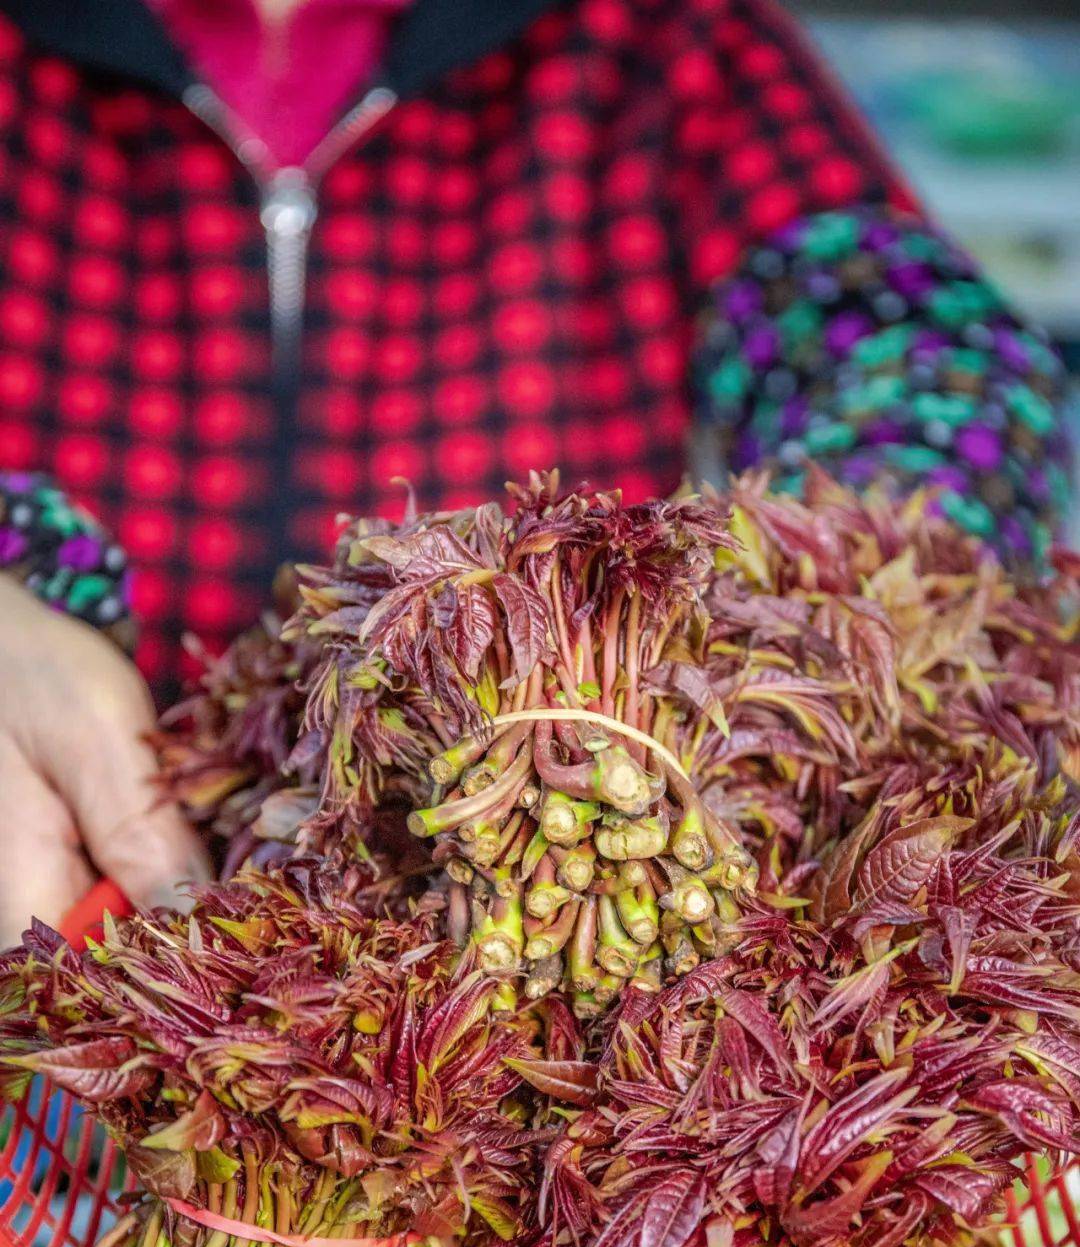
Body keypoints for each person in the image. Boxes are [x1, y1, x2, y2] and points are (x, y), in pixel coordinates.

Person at [0, 0, 1070, 944]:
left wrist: (787, 592)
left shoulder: (658, 39)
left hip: (558, 934)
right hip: (77, 899)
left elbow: (928, 354)